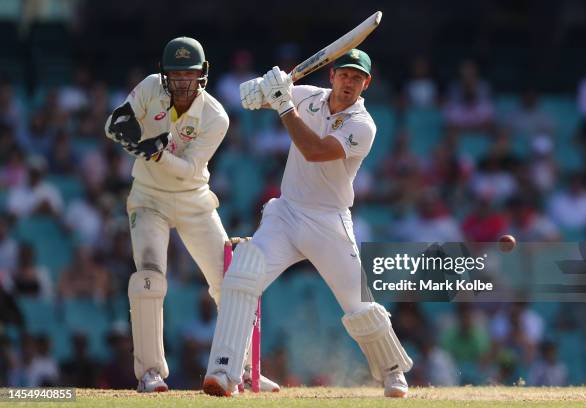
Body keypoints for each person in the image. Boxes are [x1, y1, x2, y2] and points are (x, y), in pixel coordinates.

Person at [202, 49, 412, 398]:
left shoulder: (364, 125)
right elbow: (244, 96)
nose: (349, 83)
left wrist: (284, 104)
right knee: (241, 275)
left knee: (357, 304)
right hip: (286, 214)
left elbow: (314, 150)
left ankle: (393, 372)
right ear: (331, 76)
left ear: (366, 84)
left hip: (328, 222)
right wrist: (270, 84)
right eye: (344, 75)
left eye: (357, 78)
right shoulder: (306, 96)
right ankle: (226, 371)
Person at [104, 37, 278, 393]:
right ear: (164, 74)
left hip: (193, 199)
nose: (182, 81)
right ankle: (150, 373)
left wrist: (153, 152)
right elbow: (114, 125)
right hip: (149, 197)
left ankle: (242, 368)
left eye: (190, 73)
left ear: (202, 75)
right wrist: (124, 132)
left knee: (231, 282)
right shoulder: (151, 88)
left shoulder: (216, 116)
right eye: (176, 73)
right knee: (148, 279)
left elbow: (187, 168)